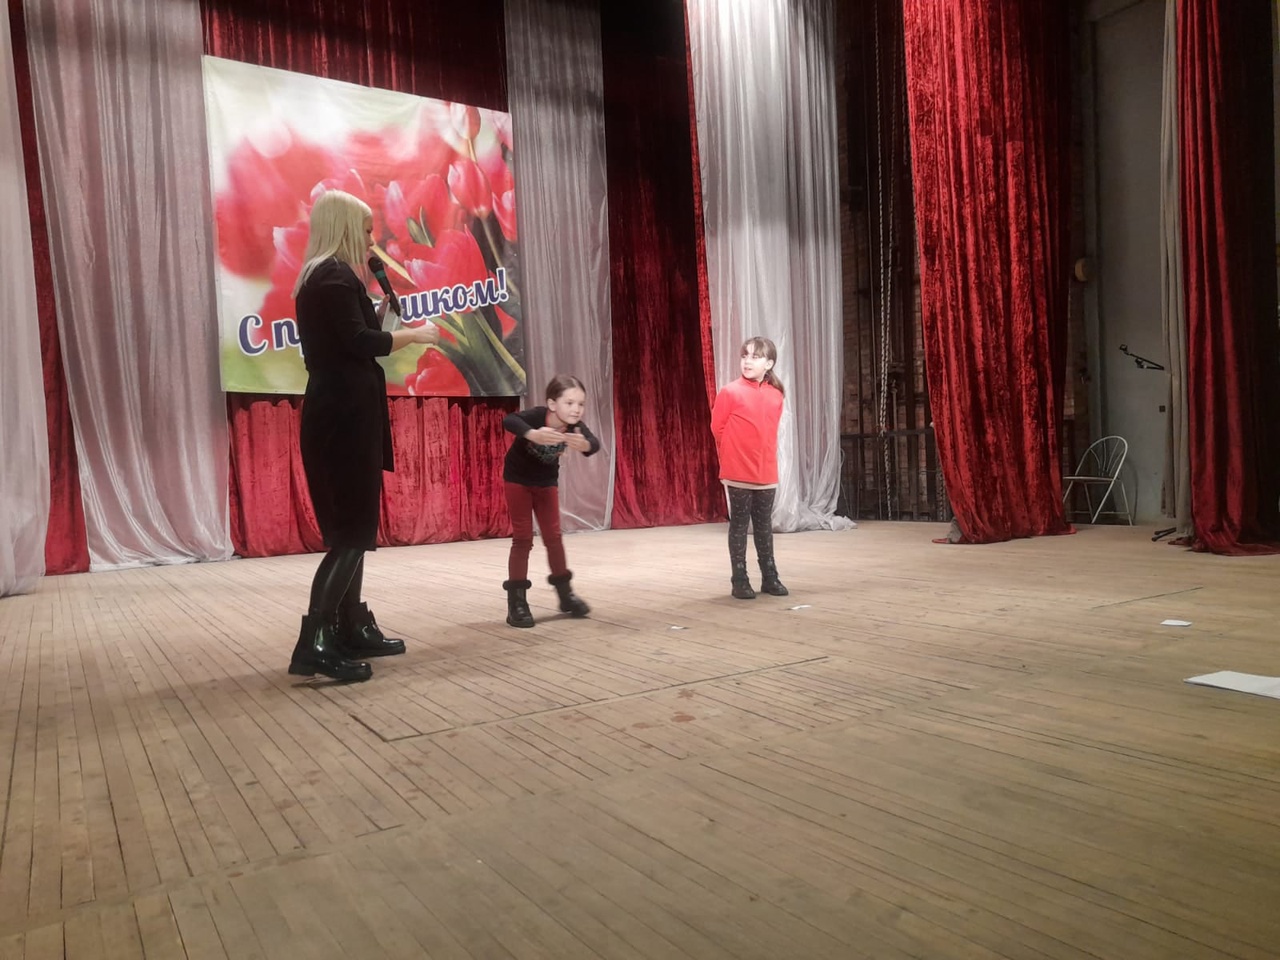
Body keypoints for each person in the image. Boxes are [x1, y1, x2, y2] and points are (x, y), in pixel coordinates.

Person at [288, 189, 439, 681]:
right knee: (351, 533)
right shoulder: (332, 276)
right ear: (346, 227)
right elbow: (358, 342)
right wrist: (413, 334)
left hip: (345, 415)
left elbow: (354, 338)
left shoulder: (327, 276)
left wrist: (386, 313)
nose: (373, 240)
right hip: (343, 420)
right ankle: (315, 641)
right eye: (368, 229)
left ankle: (349, 625)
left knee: (356, 530)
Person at [501, 375, 601, 627]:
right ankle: (517, 603)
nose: (576, 409)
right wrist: (533, 434)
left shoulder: (574, 427)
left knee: (554, 537)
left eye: (581, 404)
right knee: (523, 539)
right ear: (552, 404)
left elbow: (593, 444)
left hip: (546, 483)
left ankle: (566, 595)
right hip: (518, 480)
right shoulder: (537, 416)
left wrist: (584, 444)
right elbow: (510, 420)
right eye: (569, 403)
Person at [710, 337, 789, 600]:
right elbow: (718, 428)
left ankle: (770, 576)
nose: (747, 361)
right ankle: (740, 579)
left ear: (769, 363)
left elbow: (769, 431)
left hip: (765, 470)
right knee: (740, 524)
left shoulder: (776, 395)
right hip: (738, 470)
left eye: (755, 357)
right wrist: (734, 453)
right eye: (745, 355)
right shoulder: (730, 392)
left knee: (764, 525)